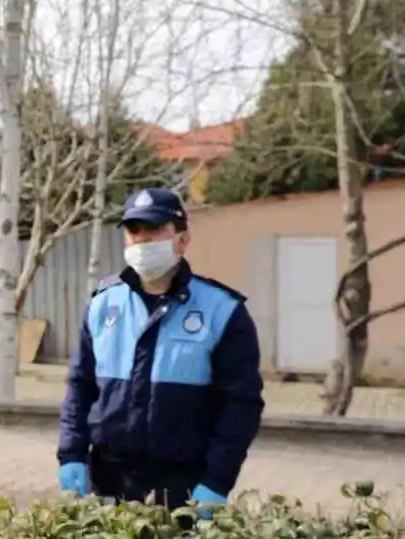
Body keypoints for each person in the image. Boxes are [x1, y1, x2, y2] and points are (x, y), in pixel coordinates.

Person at [56, 187, 265, 518]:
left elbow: (241, 406)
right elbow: (80, 388)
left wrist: (217, 481)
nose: (141, 240)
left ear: (182, 238)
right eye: (133, 230)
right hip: (107, 480)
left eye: (153, 229)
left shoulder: (222, 310)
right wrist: (71, 455)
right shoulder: (103, 304)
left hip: (184, 487)